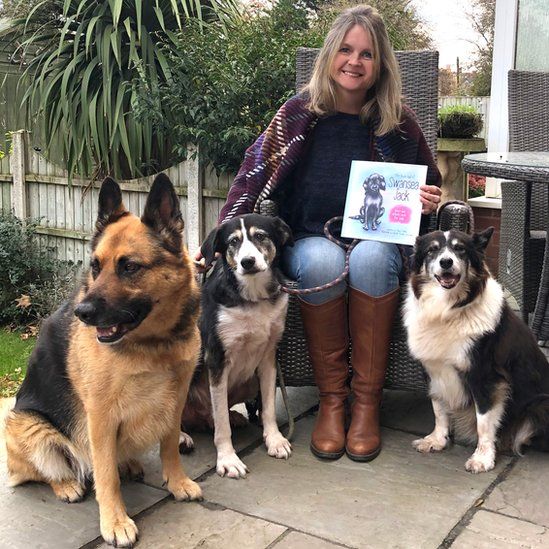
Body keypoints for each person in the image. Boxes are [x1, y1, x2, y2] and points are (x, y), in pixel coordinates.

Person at [196, 4, 442, 462]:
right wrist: (216, 243)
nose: (354, 61)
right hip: (311, 237)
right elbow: (251, 176)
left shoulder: (398, 122)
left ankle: (366, 402)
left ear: (380, 64)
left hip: (377, 241)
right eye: (346, 50)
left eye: (367, 54)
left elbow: (429, 183)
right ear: (331, 55)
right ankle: (332, 400)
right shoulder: (297, 115)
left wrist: (430, 200)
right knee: (322, 261)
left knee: (369, 259)